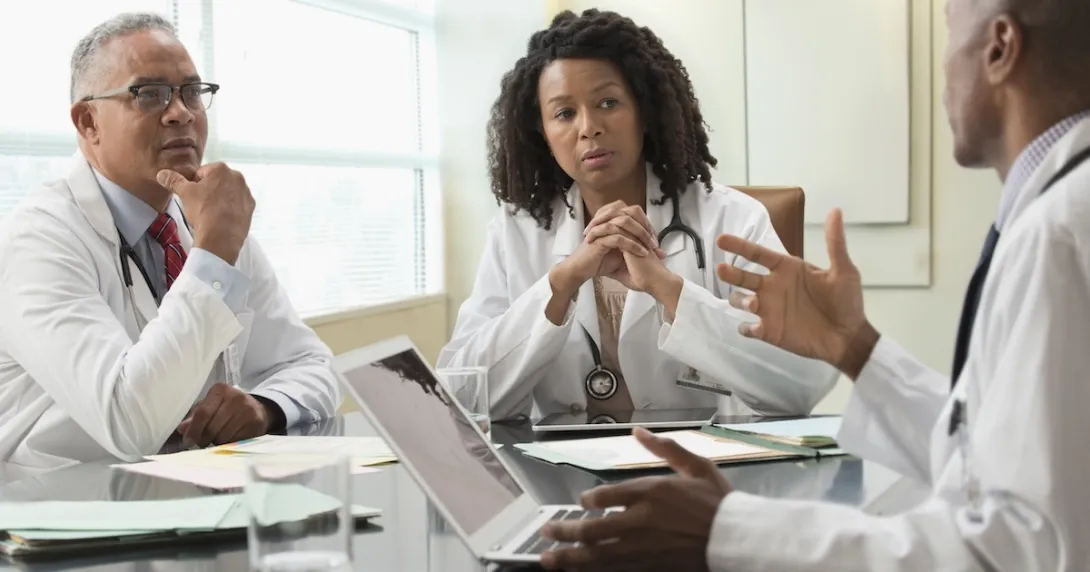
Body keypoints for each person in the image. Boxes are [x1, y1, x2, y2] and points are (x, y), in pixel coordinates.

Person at [538, 0, 1090, 569]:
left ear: (999, 48)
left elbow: (1021, 552)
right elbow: (981, 455)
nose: (944, 73)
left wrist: (733, 531)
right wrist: (858, 350)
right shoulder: (1056, 216)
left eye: (950, 31)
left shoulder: (1060, 236)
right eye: (562, 113)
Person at [438, 9, 837, 421]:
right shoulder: (517, 231)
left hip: (695, 470)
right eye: (564, 113)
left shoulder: (732, 219)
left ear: (644, 110)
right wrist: (559, 286)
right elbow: (462, 395)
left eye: (608, 102)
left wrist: (669, 290)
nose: (589, 127)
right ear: (541, 131)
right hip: (556, 477)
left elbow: (802, 382)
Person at [0, 13, 340, 469]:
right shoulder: (38, 242)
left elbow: (312, 365)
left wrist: (264, 406)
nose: (181, 111)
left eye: (192, 92)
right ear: (88, 122)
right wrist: (214, 252)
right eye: (151, 94)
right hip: (68, 513)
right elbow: (129, 421)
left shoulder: (204, 220)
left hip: (187, 498)